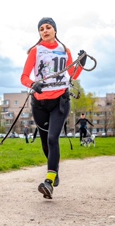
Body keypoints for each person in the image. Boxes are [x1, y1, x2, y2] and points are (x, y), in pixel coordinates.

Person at [20, 17, 87, 199]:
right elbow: (24, 77)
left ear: (55, 30)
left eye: (48, 27)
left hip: (60, 101)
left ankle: (49, 181)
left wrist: (81, 63)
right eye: (41, 28)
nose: (45, 30)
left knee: (52, 138)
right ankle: (54, 171)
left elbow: (72, 74)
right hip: (39, 103)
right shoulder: (35, 51)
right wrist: (33, 84)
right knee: (44, 142)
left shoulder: (64, 50)